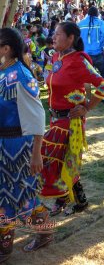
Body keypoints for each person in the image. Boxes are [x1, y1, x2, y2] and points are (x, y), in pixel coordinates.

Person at [40, 22, 104, 216]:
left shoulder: (79, 60)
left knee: (48, 155)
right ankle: (76, 200)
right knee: (63, 159)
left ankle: (62, 197)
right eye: (53, 34)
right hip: (55, 118)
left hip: (70, 121)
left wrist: (86, 107)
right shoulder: (55, 57)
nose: (53, 37)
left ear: (71, 38)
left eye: (58, 35)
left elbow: (103, 87)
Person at [0, 28, 53, 261]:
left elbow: (38, 116)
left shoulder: (20, 76)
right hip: (3, 144)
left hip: (18, 146)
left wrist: (36, 154)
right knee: (4, 195)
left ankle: (42, 233)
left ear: (6, 48)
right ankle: (6, 244)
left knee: (21, 197)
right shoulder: (3, 72)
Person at [78, 6, 104, 102]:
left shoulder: (80, 24)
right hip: (98, 52)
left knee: (86, 76)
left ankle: (88, 98)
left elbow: (77, 37)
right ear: (97, 14)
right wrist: (103, 46)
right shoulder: (100, 22)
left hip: (85, 54)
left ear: (88, 14)